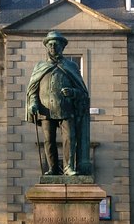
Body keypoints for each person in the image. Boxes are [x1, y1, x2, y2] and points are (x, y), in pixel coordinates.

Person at [26, 31, 91, 176]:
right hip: (45, 110)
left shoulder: (71, 66)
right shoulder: (40, 66)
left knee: (70, 138)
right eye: (50, 44)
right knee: (49, 141)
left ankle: (68, 167)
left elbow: (83, 92)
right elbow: (32, 90)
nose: (53, 46)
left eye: (56, 44)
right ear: (47, 47)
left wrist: (73, 92)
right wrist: (33, 104)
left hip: (66, 109)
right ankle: (53, 169)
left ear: (62, 47)